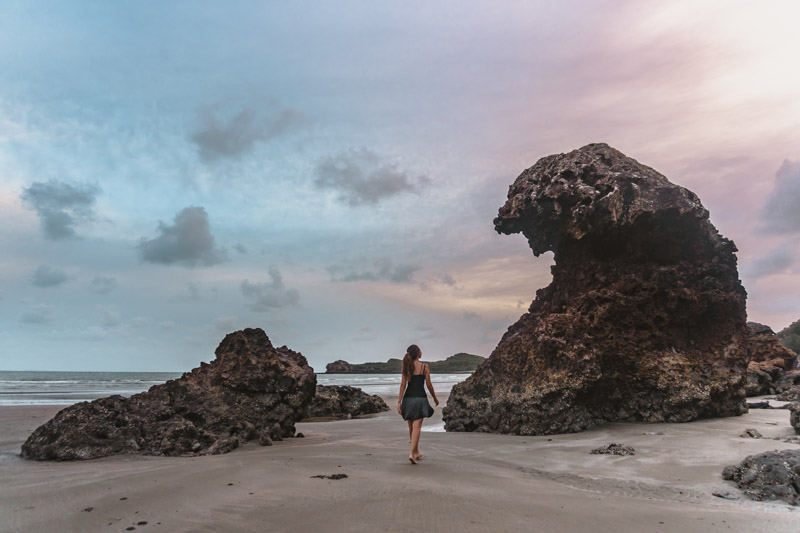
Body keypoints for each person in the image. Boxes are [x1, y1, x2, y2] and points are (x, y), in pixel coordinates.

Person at [397, 344, 439, 464]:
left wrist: (399, 402)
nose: (421, 352)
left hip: (408, 399)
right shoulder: (424, 366)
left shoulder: (407, 367)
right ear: (417, 353)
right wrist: (435, 398)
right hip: (420, 399)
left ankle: (416, 452)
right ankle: (411, 453)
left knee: (411, 427)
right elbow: (429, 385)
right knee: (417, 427)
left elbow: (403, 385)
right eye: (420, 350)